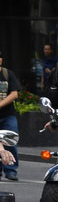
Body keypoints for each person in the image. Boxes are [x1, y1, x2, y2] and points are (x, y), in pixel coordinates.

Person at [0, 50, 22, 180]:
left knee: (10, 140)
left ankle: (11, 169)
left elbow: (14, 94)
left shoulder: (7, 74)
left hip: (8, 114)